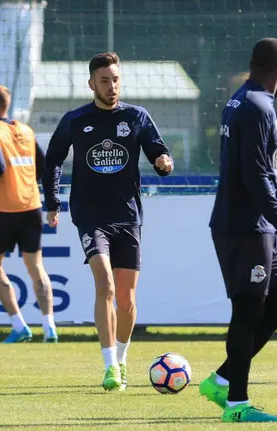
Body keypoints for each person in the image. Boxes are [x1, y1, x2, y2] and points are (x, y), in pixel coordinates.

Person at [43, 52, 173, 391]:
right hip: (90, 215)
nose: (111, 86)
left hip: (128, 216)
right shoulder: (75, 119)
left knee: (127, 299)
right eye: (104, 80)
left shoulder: (136, 116)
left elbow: (158, 148)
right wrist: (52, 202)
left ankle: (123, 358)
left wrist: (163, 160)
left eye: (115, 79)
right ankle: (109, 366)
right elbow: (53, 158)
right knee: (106, 284)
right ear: (92, 84)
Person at [199, 37, 277, 423]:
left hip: (254, 225)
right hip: (246, 226)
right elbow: (257, 177)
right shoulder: (258, 106)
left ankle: (224, 378)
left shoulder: (241, 100)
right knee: (247, 310)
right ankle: (237, 405)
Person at [0, 84, 58, 344]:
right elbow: (45, 166)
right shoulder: (26, 130)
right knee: (36, 267)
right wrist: (45, 199)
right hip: (31, 206)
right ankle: (49, 327)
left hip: (5, 208)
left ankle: (19, 324)